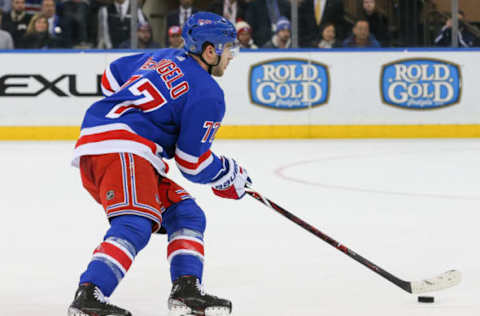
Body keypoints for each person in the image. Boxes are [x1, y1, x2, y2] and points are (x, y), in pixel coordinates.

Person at [68, 11, 250, 316]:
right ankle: (89, 295)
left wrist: (132, 109)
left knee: (186, 214)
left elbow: (112, 74)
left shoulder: (162, 57)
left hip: (115, 147)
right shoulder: (208, 93)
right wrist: (227, 175)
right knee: (136, 222)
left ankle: (187, 289)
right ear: (209, 50)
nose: (232, 56)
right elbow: (192, 163)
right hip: (124, 150)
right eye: (229, 48)